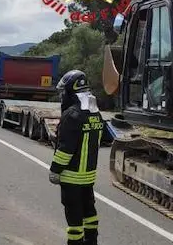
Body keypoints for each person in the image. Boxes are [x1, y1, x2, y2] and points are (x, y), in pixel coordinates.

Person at [48, 70, 102, 245]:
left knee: (74, 220)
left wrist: (55, 170)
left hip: (71, 177)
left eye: (63, 92)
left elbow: (65, 149)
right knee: (89, 212)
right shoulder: (95, 114)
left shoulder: (72, 115)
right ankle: (92, 241)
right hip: (88, 177)